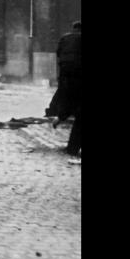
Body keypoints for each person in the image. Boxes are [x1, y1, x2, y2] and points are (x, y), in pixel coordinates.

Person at [54, 21, 81, 158]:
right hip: (78, 74)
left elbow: (58, 53)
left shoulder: (65, 38)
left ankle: (61, 115)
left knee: (66, 97)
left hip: (65, 74)